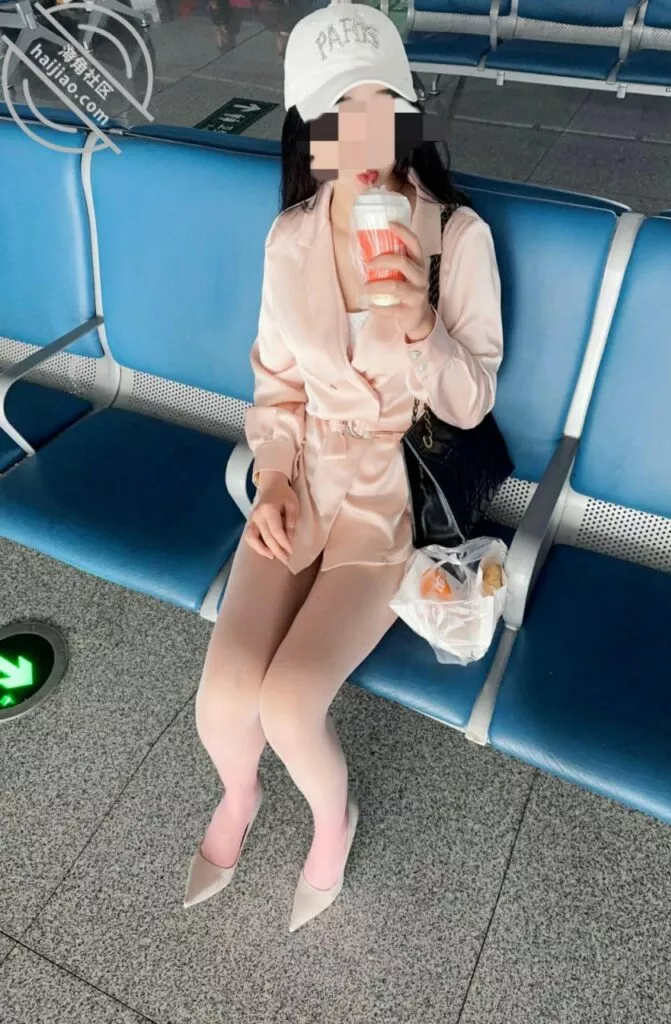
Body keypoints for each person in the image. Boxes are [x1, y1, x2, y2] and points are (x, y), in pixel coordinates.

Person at [185, 0, 503, 932]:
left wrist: (420, 324)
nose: (360, 134)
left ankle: (334, 820)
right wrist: (276, 478)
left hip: (389, 494)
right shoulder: (289, 239)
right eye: (335, 113)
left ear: (405, 112)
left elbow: (471, 400)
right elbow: (276, 384)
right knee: (223, 698)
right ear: (309, 131)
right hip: (303, 481)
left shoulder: (455, 237)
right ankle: (240, 795)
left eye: (377, 106)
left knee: (290, 703)